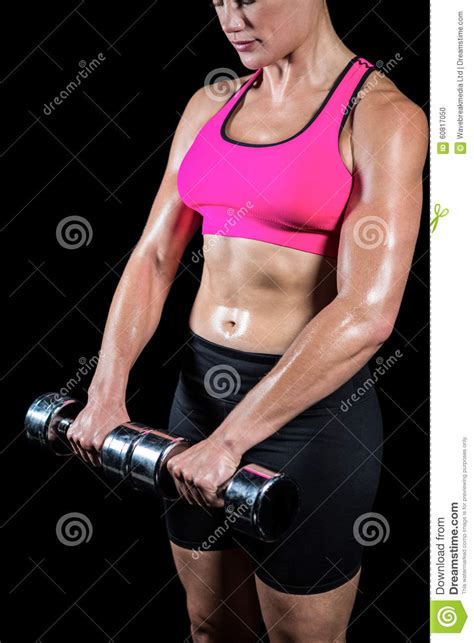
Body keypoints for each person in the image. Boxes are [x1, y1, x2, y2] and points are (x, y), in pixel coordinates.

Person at [67, 0, 428, 640]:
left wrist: (233, 441)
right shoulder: (213, 104)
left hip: (309, 421)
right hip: (198, 396)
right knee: (210, 627)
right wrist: (106, 389)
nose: (230, 16)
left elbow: (368, 312)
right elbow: (153, 255)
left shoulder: (381, 117)